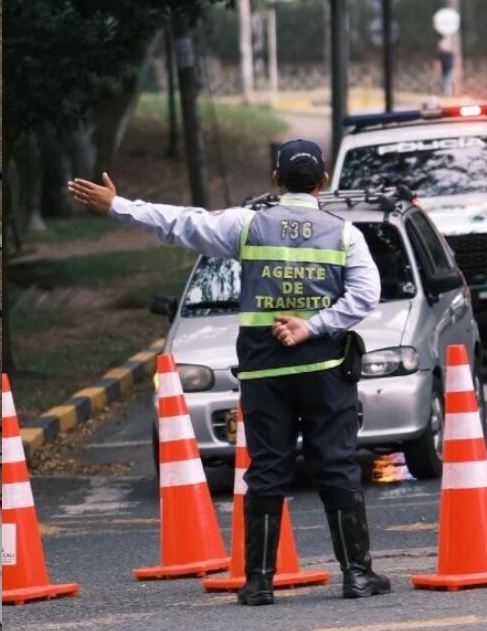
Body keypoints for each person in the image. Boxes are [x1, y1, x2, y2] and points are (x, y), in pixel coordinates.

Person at [68, 140, 390, 606]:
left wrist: (117, 205)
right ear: (323, 181)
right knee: (336, 465)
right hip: (323, 369)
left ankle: (258, 583)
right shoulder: (345, 235)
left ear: (275, 179)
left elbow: (180, 223)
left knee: (267, 471)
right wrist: (312, 326)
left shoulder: (248, 225)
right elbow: (364, 296)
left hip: (264, 374)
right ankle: (357, 575)